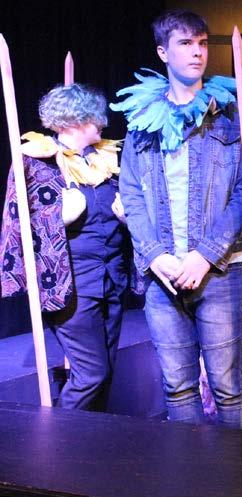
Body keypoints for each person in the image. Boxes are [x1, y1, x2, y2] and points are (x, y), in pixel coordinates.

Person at [113, 9, 242, 429]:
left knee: (229, 388)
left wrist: (205, 255)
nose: (197, 52)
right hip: (163, 272)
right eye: (185, 43)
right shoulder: (143, 122)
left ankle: (239, 469)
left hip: (220, 270)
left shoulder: (231, 115)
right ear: (163, 52)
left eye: (202, 43)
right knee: (178, 388)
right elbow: (131, 193)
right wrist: (155, 255)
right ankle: (190, 469)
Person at [0, 83, 128, 411]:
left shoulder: (104, 159)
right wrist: (59, 216)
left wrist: (127, 217)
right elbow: (18, 225)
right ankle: (60, 436)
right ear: (74, 121)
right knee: (92, 375)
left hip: (110, 279)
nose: (103, 122)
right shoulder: (35, 163)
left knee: (105, 372)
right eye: (95, 116)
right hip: (70, 287)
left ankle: (93, 438)